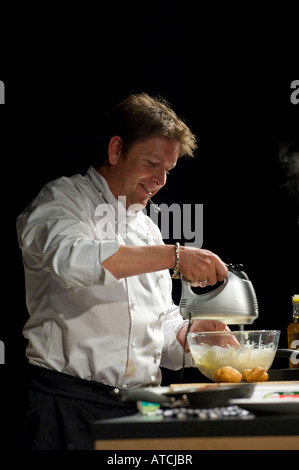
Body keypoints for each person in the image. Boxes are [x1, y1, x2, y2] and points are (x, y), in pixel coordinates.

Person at [16, 93, 228, 450]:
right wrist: (175, 256)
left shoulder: (146, 229)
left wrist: (188, 336)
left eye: (168, 171)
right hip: (68, 411)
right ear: (116, 150)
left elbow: (156, 323)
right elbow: (72, 261)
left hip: (140, 410)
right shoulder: (60, 202)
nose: (160, 180)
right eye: (152, 163)